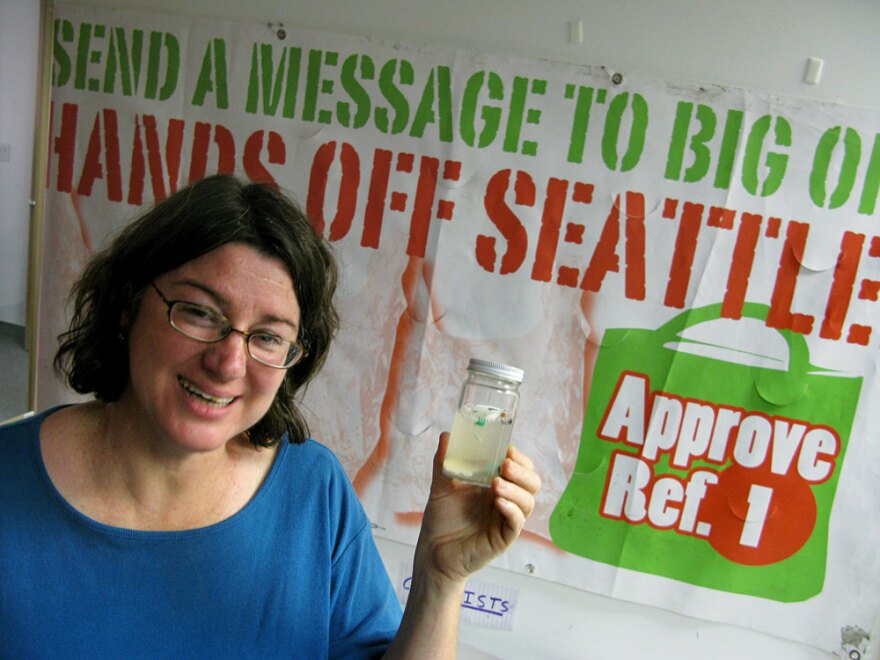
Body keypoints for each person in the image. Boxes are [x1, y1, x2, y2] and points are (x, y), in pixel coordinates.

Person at [0, 174, 541, 658]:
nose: (228, 362)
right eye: (199, 313)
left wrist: (440, 579)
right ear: (126, 305)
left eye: (268, 337)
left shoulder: (314, 494)